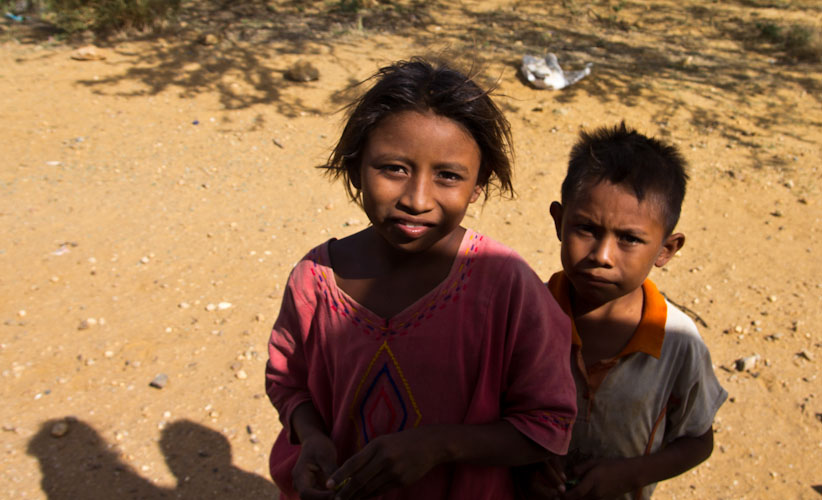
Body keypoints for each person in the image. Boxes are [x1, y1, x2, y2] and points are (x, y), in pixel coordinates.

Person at [265, 57, 577, 500]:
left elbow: (548, 423)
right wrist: (311, 437)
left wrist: (439, 446)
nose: (416, 199)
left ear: (479, 185)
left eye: (448, 176)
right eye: (394, 168)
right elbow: (287, 380)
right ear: (356, 167)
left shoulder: (507, 286)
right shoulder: (315, 280)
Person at [538, 122, 727, 500]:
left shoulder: (677, 342)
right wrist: (525, 461)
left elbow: (698, 441)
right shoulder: (527, 317)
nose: (602, 256)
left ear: (665, 250)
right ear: (560, 221)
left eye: (629, 239)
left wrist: (629, 474)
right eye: (586, 229)